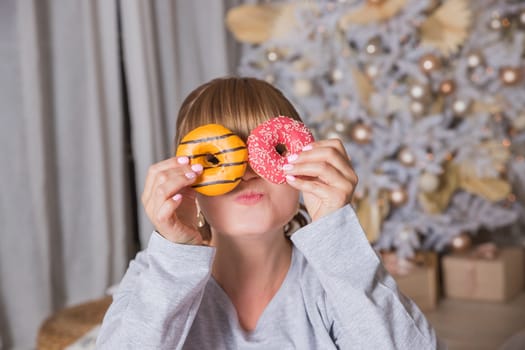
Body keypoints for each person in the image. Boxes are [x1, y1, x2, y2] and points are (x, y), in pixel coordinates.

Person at [97, 77, 445, 349]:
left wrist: (335, 232)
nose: (247, 171)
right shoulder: (156, 276)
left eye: (270, 150)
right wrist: (175, 255)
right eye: (217, 158)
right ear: (190, 185)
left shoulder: (335, 280)